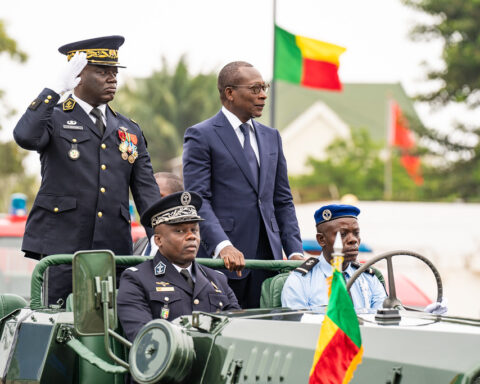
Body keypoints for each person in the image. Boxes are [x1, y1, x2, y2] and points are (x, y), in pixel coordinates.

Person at [13, 35, 160, 306]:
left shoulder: (129, 129)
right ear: (78, 75)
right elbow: (24, 135)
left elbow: (147, 194)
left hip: (113, 251)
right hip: (63, 249)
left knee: (109, 329)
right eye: (102, 72)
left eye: (114, 72)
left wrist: (161, 239)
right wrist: (55, 90)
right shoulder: (55, 117)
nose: (112, 78)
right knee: (59, 326)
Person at [182, 61, 304, 309]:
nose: (263, 95)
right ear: (230, 93)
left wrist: (294, 252)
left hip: (268, 262)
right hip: (224, 263)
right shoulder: (201, 135)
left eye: (264, 87)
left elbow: (282, 200)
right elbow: (198, 199)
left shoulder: (272, 137)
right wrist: (222, 245)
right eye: (255, 88)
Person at [117, 191, 240, 341]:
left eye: (194, 230)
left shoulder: (218, 279)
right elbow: (145, 339)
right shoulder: (136, 279)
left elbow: (237, 330)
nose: (191, 236)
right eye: (180, 231)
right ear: (158, 240)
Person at [282, 204, 387, 310]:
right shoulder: (300, 281)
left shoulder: (369, 278)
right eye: (342, 234)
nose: (353, 240)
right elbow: (298, 324)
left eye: (356, 233)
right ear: (321, 239)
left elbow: (383, 320)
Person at [133, 172, 184, 255]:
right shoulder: (140, 244)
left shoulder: (190, 246)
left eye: (157, 197)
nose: (149, 203)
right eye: (147, 197)